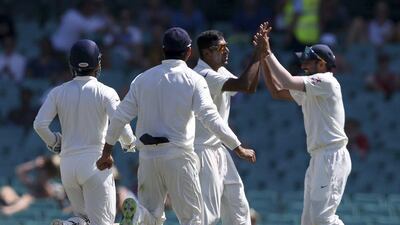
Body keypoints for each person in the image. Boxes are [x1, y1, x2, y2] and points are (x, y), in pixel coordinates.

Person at [96, 27, 256, 225]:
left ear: (164, 51)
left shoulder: (142, 79)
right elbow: (210, 117)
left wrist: (106, 152)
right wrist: (237, 147)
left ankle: (139, 215)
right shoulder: (194, 80)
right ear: (189, 52)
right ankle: (140, 215)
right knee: (192, 220)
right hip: (179, 157)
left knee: (152, 218)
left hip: (147, 158)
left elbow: (120, 117)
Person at [256, 22, 351, 225]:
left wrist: (269, 52)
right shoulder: (312, 88)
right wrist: (263, 56)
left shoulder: (326, 82)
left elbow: (288, 80)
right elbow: (276, 91)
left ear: (323, 64)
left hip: (331, 156)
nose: (303, 65)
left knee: (323, 219)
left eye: (308, 61)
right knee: (309, 221)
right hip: (318, 157)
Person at [34, 39, 136, 225]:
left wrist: (55, 141)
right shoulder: (106, 92)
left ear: (71, 65)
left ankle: (70, 224)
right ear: (98, 64)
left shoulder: (57, 92)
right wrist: (129, 143)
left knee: (85, 220)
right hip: (95, 164)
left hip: (67, 166)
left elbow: (39, 125)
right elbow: (121, 122)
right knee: (103, 222)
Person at [193, 29, 260, 225]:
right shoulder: (203, 75)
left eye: (227, 46)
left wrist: (261, 55)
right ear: (206, 53)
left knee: (239, 209)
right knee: (208, 215)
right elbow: (245, 84)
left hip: (218, 149)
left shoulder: (218, 71)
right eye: (221, 48)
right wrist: (258, 54)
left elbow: (250, 86)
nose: (226, 51)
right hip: (201, 151)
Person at [0, 155, 65, 216]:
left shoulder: (55, 188)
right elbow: (20, 171)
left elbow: (60, 206)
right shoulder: (35, 183)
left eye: (46, 169)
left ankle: (8, 211)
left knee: (27, 198)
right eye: (43, 168)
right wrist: (34, 164)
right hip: (21, 200)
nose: (41, 171)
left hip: (31, 204)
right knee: (6, 189)